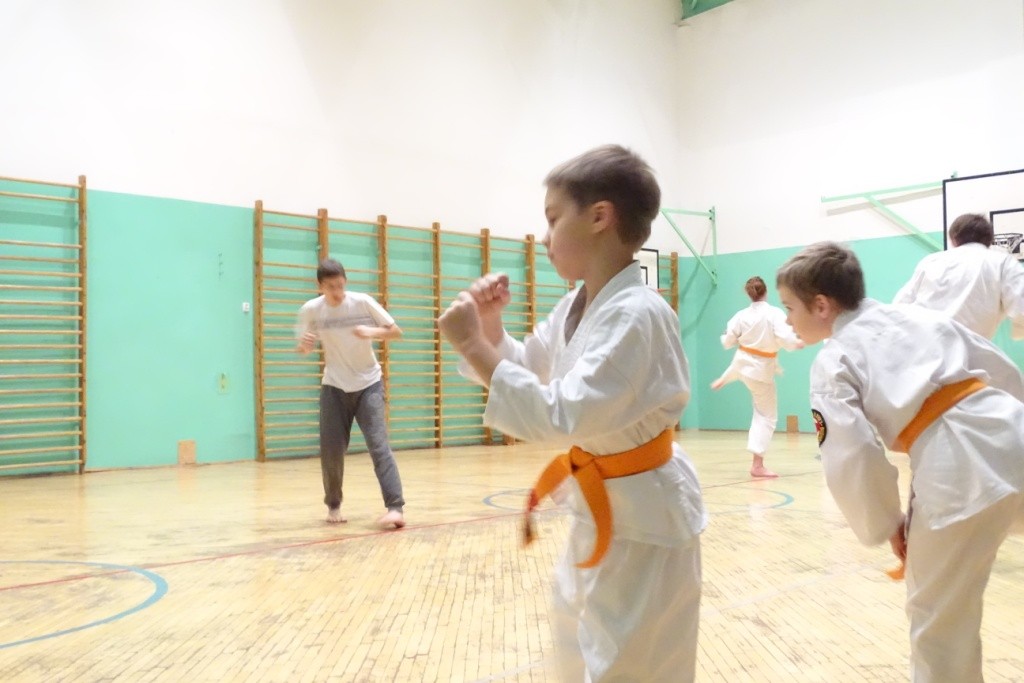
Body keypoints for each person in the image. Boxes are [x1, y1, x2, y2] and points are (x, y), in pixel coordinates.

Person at [438, 144, 707, 681]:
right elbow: (531, 369)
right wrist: (491, 332)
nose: (544, 236)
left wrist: (472, 347)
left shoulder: (638, 313)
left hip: (645, 520)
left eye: (553, 218)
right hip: (600, 503)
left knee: (630, 664)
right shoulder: (579, 304)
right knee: (576, 640)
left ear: (600, 216)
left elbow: (565, 412)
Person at [776, 241, 1024, 682]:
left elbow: (852, 453)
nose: (786, 320)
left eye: (789, 307)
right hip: (1012, 426)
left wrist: (886, 522)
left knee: (938, 620)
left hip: (959, 468)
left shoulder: (834, 358)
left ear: (821, 305)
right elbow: (1001, 369)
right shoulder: (918, 316)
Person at [296, 258, 406, 529]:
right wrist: (305, 345)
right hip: (334, 385)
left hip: (369, 383)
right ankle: (333, 505)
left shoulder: (362, 302)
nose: (337, 291)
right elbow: (303, 347)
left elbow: (396, 331)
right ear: (320, 286)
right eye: (331, 287)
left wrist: (371, 331)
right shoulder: (311, 310)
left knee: (379, 445)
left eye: (340, 285)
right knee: (331, 450)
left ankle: (395, 507)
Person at [710, 276, 803, 478]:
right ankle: (757, 465)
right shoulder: (774, 314)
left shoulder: (740, 316)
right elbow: (786, 337)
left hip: (742, 362)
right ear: (766, 292)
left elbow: (727, 341)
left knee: (740, 367)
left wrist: (736, 338)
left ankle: (725, 378)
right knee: (766, 416)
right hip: (761, 370)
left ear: (749, 294)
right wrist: (796, 342)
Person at [893, 212, 1024, 339]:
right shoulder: (1003, 262)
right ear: (989, 241)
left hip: (922, 343)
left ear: (953, 239)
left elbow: (900, 306)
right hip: (970, 347)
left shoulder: (930, 261)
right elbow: (1021, 310)